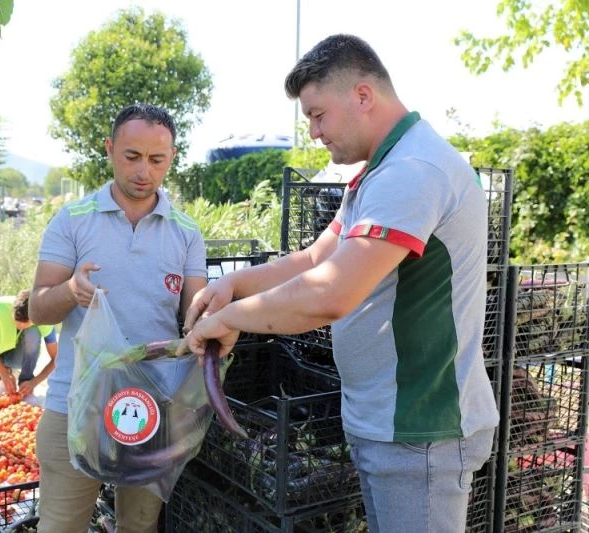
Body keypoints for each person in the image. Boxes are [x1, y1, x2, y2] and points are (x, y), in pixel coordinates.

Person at [179, 34, 499, 533]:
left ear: (363, 96)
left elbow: (330, 293)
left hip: (418, 429)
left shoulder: (412, 172)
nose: (313, 132)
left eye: (317, 114)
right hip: (388, 422)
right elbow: (313, 259)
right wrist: (235, 284)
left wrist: (227, 320)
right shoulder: (380, 172)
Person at [29, 103, 207, 533]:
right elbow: (36, 308)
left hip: (153, 406)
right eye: (132, 156)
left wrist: (218, 320)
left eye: (157, 160)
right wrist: (70, 291)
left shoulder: (186, 232)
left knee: (139, 526)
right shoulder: (72, 220)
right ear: (110, 150)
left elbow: (196, 312)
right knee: (59, 526)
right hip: (75, 404)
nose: (144, 170)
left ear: (171, 158)